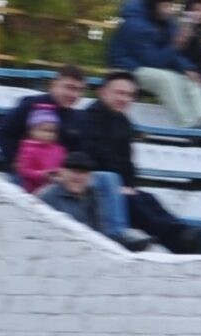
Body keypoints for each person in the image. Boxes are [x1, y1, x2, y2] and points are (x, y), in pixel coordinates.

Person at [68, 73, 194, 252]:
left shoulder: (124, 122)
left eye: (129, 95)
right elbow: (91, 156)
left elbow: (127, 163)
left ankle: (183, 233)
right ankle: (181, 242)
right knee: (135, 204)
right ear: (103, 92)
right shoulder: (89, 119)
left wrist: (129, 185)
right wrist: (119, 186)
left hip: (119, 186)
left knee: (147, 199)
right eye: (120, 93)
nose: (125, 99)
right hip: (95, 186)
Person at [110, 0, 201, 129]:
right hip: (129, 68)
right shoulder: (134, 24)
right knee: (167, 79)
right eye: (166, 6)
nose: (170, 10)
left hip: (154, 66)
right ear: (154, 5)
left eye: (171, 5)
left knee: (193, 79)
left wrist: (187, 68)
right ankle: (189, 124)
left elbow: (172, 55)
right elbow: (152, 60)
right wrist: (176, 44)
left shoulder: (166, 22)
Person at [0, 65, 88, 170]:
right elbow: (3, 133)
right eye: (69, 88)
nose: (74, 95)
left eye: (79, 90)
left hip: (59, 176)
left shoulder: (78, 118)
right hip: (27, 172)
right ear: (54, 85)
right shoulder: (32, 105)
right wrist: (16, 160)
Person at [38, 152, 129, 243]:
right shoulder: (47, 197)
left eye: (83, 172)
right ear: (62, 173)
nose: (77, 177)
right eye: (73, 171)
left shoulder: (94, 196)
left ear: (90, 177)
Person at [14, 106, 67, 194]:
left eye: (53, 132)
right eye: (45, 131)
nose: (49, 135)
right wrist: (41, 175)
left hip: (54, 188)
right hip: (32, 190)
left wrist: (59, 173)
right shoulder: (28, 149)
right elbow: (24, 170)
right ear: (32, 131)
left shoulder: (59, 150)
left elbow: (63, 166)